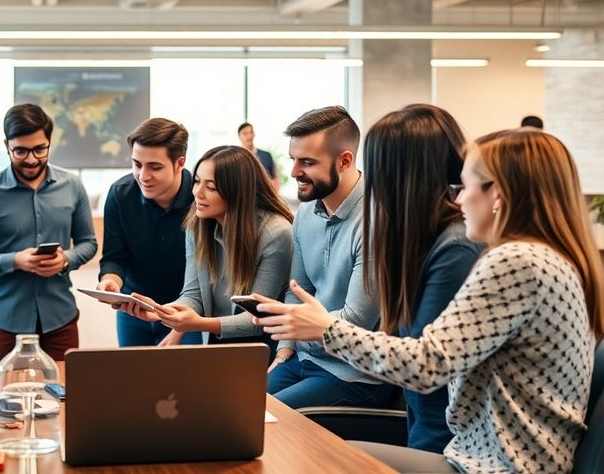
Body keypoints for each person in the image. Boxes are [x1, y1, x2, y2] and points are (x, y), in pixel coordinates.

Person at [256, 128, 604, 473]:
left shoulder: (515, 262)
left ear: (497, 195)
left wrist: (328, 329)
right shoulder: (549, 258)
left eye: (465, 187)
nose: (459, 199)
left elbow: (427, 366)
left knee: (325, 459)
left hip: (496, 466)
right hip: (503, 459)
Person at [358, 104, 482, 452]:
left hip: (447, 439)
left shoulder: (456, 248)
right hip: (425, 426)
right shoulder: (422, 241)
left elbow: (423, 367)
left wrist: (324, 328)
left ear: (396, 177)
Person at [265, 105, 395, 410]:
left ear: (345, 160)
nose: (295, 172)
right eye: (293, 160)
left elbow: (356, 321)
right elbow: (298, 290)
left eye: (307, 162)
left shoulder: (378, 221)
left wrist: (295, 332)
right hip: (302, 359)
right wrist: (285, 349)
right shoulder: (306, 213)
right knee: (234, 407)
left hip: (354, 374)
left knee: (268, 422)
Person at [117, 145, 293, 349]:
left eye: (210, 187)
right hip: (215, 343)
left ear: (237, 192)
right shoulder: (197, 226)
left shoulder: (276, 234)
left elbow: (257, 319)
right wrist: (160, 311)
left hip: (264, 347)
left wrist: (198, 324)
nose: (197, 193)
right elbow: (193, 295)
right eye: (197, 182)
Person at [0, 103, 98, 362]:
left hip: (60, 317)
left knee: (65, 394)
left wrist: (65, 260)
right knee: (7, 397)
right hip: (5, 320)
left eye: (39, 149)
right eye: (20, 151)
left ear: (50, 142)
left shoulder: (72, 186)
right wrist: (16, 260)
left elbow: (88, 243)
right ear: (6, 145)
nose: (32, 159)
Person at [96, 118, 202, 347]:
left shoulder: (201, 197)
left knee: (187, 381)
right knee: (136, 379)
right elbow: (115, 256)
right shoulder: (119, 194)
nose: (143, 176)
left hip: (188, 309)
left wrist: (179, 324)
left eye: (154, 167)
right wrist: (110, 281)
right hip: (134, 309)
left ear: (179, 163)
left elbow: (213, 271)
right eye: (137, 164)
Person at [238, 122, 280, 191]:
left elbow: (275, 178)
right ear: (239, 136)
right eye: (245, 133)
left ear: (254, 134)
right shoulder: (235, 158)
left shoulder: (267, 155)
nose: (249, 136)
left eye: (251, 132)